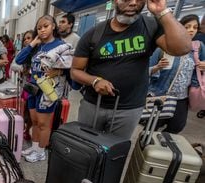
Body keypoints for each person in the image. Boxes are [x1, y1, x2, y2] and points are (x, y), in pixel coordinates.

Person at [71, 0, 191, 140]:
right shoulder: (94, 34)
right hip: (93, 105)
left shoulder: (150, 26)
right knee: (85, 147)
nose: (133, 3)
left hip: (129, 109)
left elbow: (183, 48)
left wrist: (162, 12)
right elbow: (75, 71)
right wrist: (95, 81)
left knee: (115, 152)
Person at [15, 15, 73, 162]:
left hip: (48, 90)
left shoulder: (62, 45)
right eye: (39, 28)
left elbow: (71, 67)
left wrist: (58, 71)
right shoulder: (38, 46)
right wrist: (33, 42)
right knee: (34, 121)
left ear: (53, 26)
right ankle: (34, 147)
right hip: (33, 88)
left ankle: (41, 151)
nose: (42, 30)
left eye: (45, 26)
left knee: (43, 123)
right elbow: (19, 60)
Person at [148, 14, 205, 134]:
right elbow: (146, 70)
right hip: (161, 93)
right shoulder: (164, 47)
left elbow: (201, 68)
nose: (191, 30)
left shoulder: (198, 48)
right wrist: (157, 67)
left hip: (182, 97)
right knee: (152, 126)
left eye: (195, 27)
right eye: (187, 26)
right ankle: (145, 147)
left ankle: (161, 143)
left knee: (177, 126)